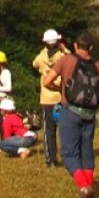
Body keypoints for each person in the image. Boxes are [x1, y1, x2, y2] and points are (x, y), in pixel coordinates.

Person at [43, 32, 99, 198]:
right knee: (86, 151)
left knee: (68, 153)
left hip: (70, 112)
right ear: (91, 47)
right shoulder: (98, 65)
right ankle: (89, 187)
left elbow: (46, 81)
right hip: (90, 114)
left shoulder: (66, 60)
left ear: (75, 45)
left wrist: (60, 88)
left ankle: (84, 187)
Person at [32, 28, 70, 167]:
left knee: (49, 130)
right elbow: (73, 60)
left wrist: (43, 51)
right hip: (61, 97)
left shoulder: (41, 57)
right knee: (65, 129)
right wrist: (64, 49)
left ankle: (51, 159)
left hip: (47, 98)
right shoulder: (62, 56)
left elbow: (34, 64)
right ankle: (67, 157)